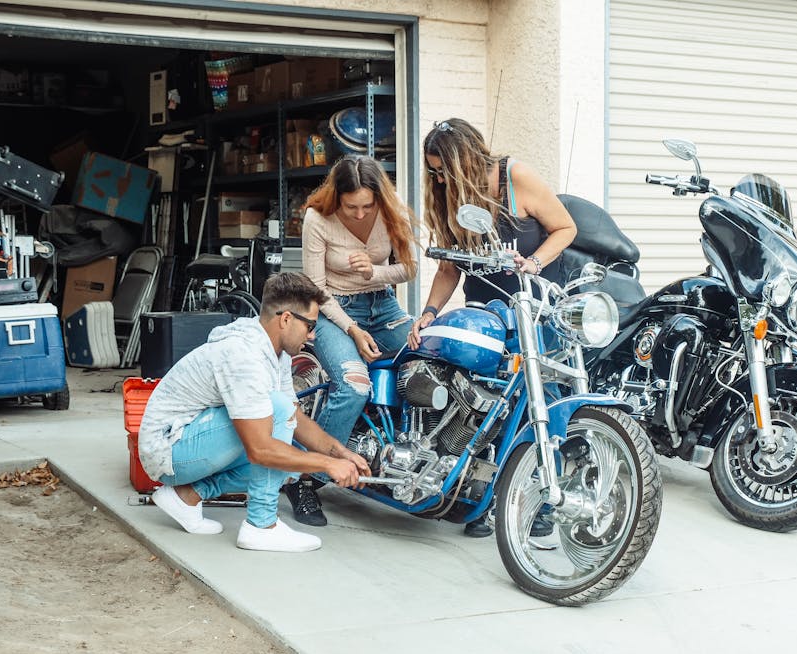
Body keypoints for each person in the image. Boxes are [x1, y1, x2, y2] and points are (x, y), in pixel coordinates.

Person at [407, 118, 577, 537]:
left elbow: (566, 228)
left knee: (541, 407)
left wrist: (533, 263)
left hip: (532, 313)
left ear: (466, 161)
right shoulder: (449, 196)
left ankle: (543, 502)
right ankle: (481, 498)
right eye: (434, 171)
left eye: (444, 170)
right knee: (482, 403)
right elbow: (449, 268)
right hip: (484, 315)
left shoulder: (515, 177)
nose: (439, 179)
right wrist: (429, 312)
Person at [137, 272, 370, 553]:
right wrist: (326, 464)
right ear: (286, 319)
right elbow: (260, 449)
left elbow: (295, 419)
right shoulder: (243, 355)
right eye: (310, 326)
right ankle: (261, 526)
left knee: (292, 459)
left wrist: (339, 453)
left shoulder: (276, 352)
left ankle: (186, 496)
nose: (313, 335)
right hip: (168, 450)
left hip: (190, 441)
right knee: (277, 418)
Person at [285, 154, 419, 528]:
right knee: (354, 386)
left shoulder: (393, 211)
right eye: (351, 207)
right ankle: (303, 480)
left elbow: (409, 268)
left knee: (428, 362)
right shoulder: (317, 218)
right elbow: (316, 289)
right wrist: (352, 330)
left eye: (367, 206)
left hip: (383, 305)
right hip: (333, 311)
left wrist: (375, 271)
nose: (360, 214)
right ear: (337, 198)